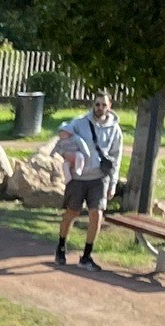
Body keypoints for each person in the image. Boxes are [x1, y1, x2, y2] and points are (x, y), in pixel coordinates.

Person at [54, 89, 122, 269]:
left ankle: (86, 256)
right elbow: (61, 140)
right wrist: (67, 155)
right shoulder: (79, 123)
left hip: (100, 178)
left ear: (109, 106)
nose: (100, 108)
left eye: (104, 105)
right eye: (97, 104)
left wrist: (113, 184)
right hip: (78, 177)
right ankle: (61, 246)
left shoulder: (115, 129)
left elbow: (116, 157)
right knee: (72, 213)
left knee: (96, 214)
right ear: (93, 105)